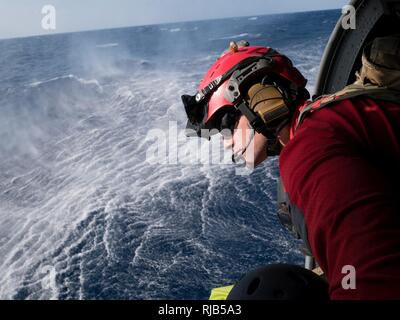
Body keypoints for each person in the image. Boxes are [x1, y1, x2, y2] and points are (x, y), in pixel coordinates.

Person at [182, 35, 400, 300]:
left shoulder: (310, 146)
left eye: (227, 124)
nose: (227, 143)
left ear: (257, 98)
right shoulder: (328, 120)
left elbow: (373, 281)